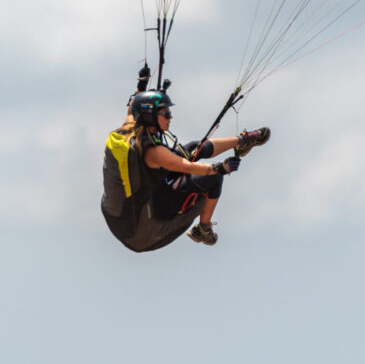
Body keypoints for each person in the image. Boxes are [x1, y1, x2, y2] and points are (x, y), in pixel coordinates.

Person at [101, 67, 270, 251]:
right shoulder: (154, 152)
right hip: (142, 229)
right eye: (165, 113)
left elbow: (131, 109)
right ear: (150, 117)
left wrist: (141, 84)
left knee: (192, 147)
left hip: (125, 215)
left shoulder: (131, 127)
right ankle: (203, 229)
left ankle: (241, 141)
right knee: (212, 178)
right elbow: (185, 166)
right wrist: (221, 168)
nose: (170, 117)